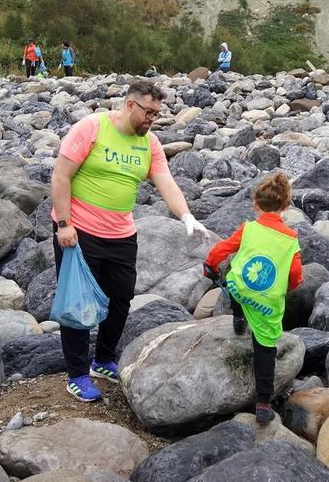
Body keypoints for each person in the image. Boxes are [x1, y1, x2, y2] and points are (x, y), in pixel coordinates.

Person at [51, 80, 209, 402]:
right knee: (77, 303)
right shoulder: (92, 128)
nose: (152, 119)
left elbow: (165, 181)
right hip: (79, 233)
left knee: (121, 300)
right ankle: (78, 374)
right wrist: (65, 224)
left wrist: (187, 217)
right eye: (148, 112)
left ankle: (103, 360)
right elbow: (60, 175)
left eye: (156, 114)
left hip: (121, 235)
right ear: (130, 105)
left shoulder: (149, 144)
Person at [203, 172, 303, 425]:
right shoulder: (291, 240)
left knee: (234, 277)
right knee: (265, 348)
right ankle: (263, 403)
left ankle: (238, 316)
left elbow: (220, 251)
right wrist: (287, 287)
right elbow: (295, 275)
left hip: (241, 289)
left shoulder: (248, 228)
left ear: (256, 205)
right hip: (266, 301)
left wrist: (210, 267)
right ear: (285, 207)